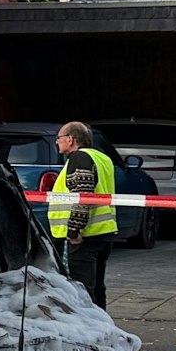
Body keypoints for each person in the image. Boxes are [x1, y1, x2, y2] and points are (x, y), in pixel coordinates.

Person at [50, 121, 119, 306]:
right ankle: (102, 325)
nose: (57, 142)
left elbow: (83, 195)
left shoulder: (79, 158)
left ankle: (90, 330)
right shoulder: (102, 158)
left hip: (84, 237)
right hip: (103, 233)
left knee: (82, 289)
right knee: (97, 287)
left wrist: (74, 230)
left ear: (70, 139)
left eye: (59, 138)